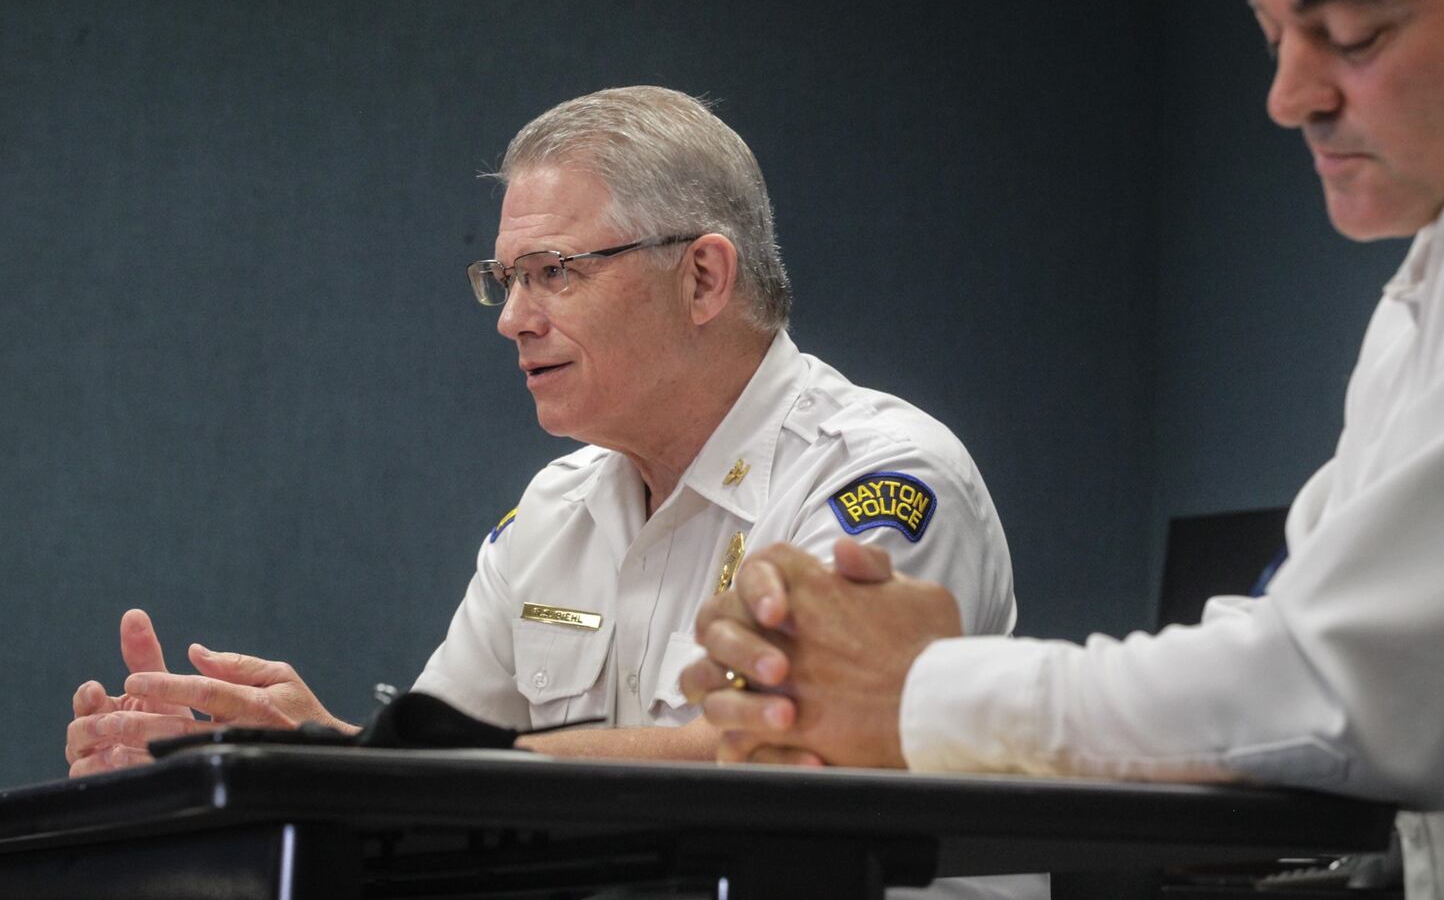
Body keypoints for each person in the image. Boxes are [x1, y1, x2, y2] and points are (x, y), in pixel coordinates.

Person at [683, 0, 1444, 898]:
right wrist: (863, 679)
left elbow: (1359, 694)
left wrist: (925, 688)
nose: (1289, 93)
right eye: (1272, 35)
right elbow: (1292, 628)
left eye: (1350, 32)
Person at [63, 86, 1039, 899]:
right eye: (504, 278)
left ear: (702, 277)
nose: (513, 320)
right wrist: (307, 761)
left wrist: (375, 765)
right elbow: (433, 796)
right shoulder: (553, 510)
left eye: (555, 272)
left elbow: (788, 753)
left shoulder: (874, 479)